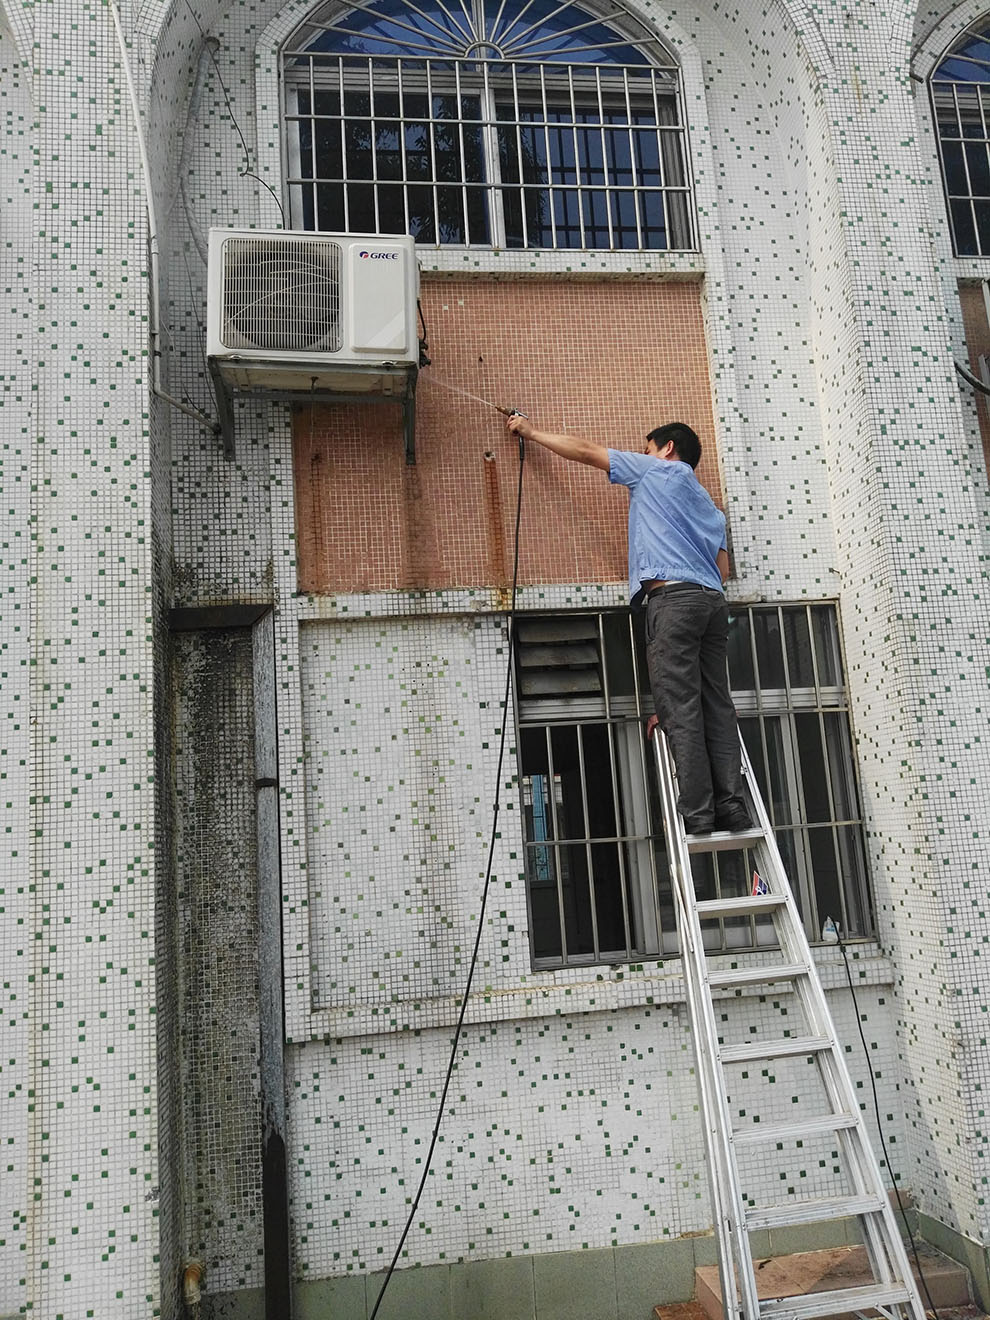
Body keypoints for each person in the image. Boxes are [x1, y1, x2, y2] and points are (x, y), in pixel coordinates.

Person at [505, 413, 751, 835]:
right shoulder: (711, 507)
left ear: (667, 448)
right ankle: (732, 806)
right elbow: (722, 570)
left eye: (648, 447)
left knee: (681, 707)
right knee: (717, 704)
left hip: (673, 601)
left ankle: (698, 813)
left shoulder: (655, 470)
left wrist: (530, 431)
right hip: (711, 603)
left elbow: (585, 451)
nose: (645, 454)